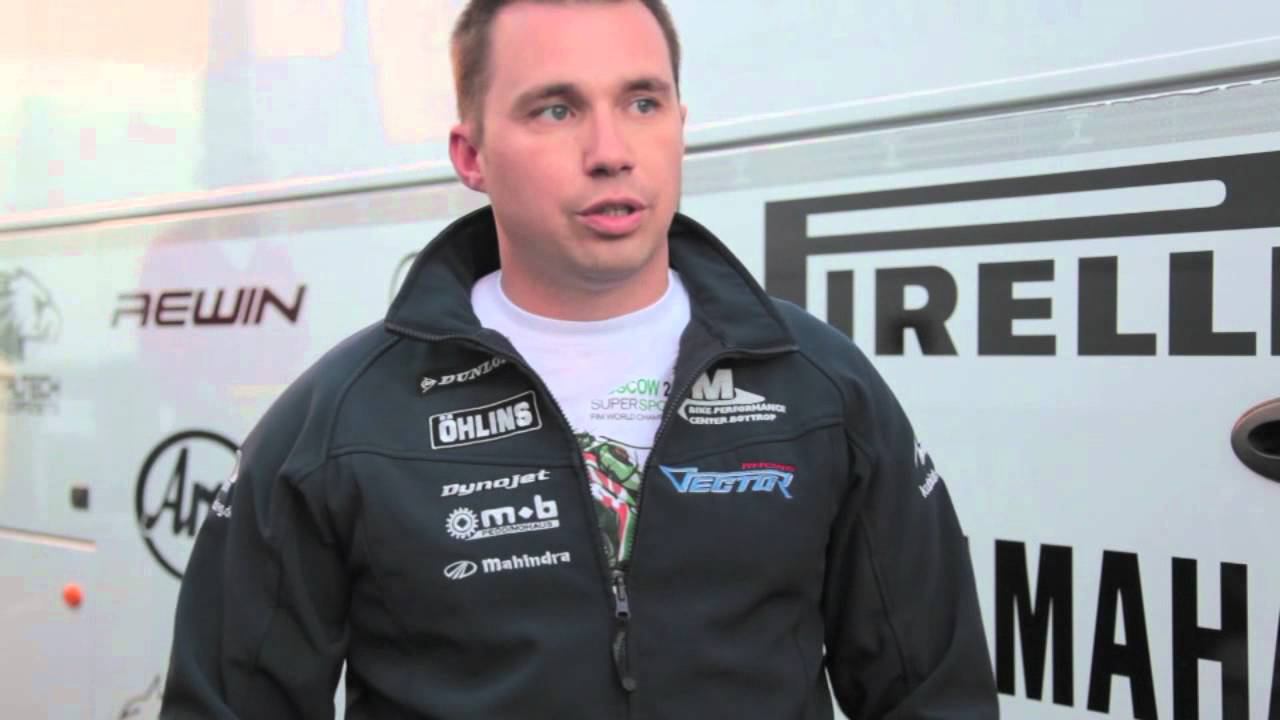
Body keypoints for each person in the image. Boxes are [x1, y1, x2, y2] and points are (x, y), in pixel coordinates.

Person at [160, 1, 999, 718]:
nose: (610, 149)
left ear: (680, 124)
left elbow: (935, 696)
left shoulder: (818, 387)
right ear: (471, 156)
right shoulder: (341, 424)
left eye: (642, 102)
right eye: (556, 110)